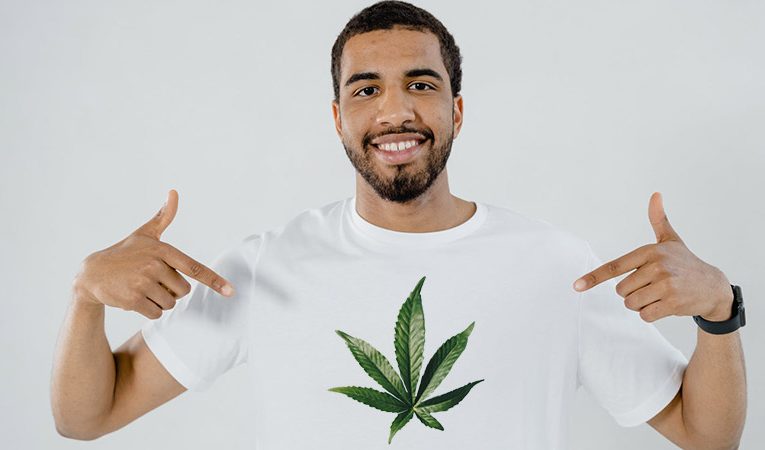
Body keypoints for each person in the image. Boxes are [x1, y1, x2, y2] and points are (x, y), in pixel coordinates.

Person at [50, 1, 746, 448]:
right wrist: (85, 298)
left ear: (456, 110)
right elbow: (86, 417)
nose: (395, 112)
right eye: (366, 90)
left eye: (421, 84)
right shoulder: (266, 266)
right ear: (337, 118)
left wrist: (719, 312)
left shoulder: (554, 264)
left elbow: (706, 433)